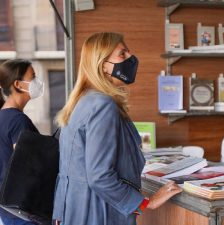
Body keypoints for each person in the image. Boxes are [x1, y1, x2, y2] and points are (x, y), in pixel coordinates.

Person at [52, 32, 182, 225]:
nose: (131, 58)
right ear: (102, 65)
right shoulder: (102, 105)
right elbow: (99, 176)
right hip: (98, 213)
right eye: (122, 54)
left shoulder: (83, 101)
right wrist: (146, 203)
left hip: (74, 210)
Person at [0, 59, 43, 225]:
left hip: (8, 209)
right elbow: (27, 169)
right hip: (24, 212)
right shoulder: (18, 121)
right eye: (33, 77)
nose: (37, 82)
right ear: (18, 84)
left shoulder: (3, 116)